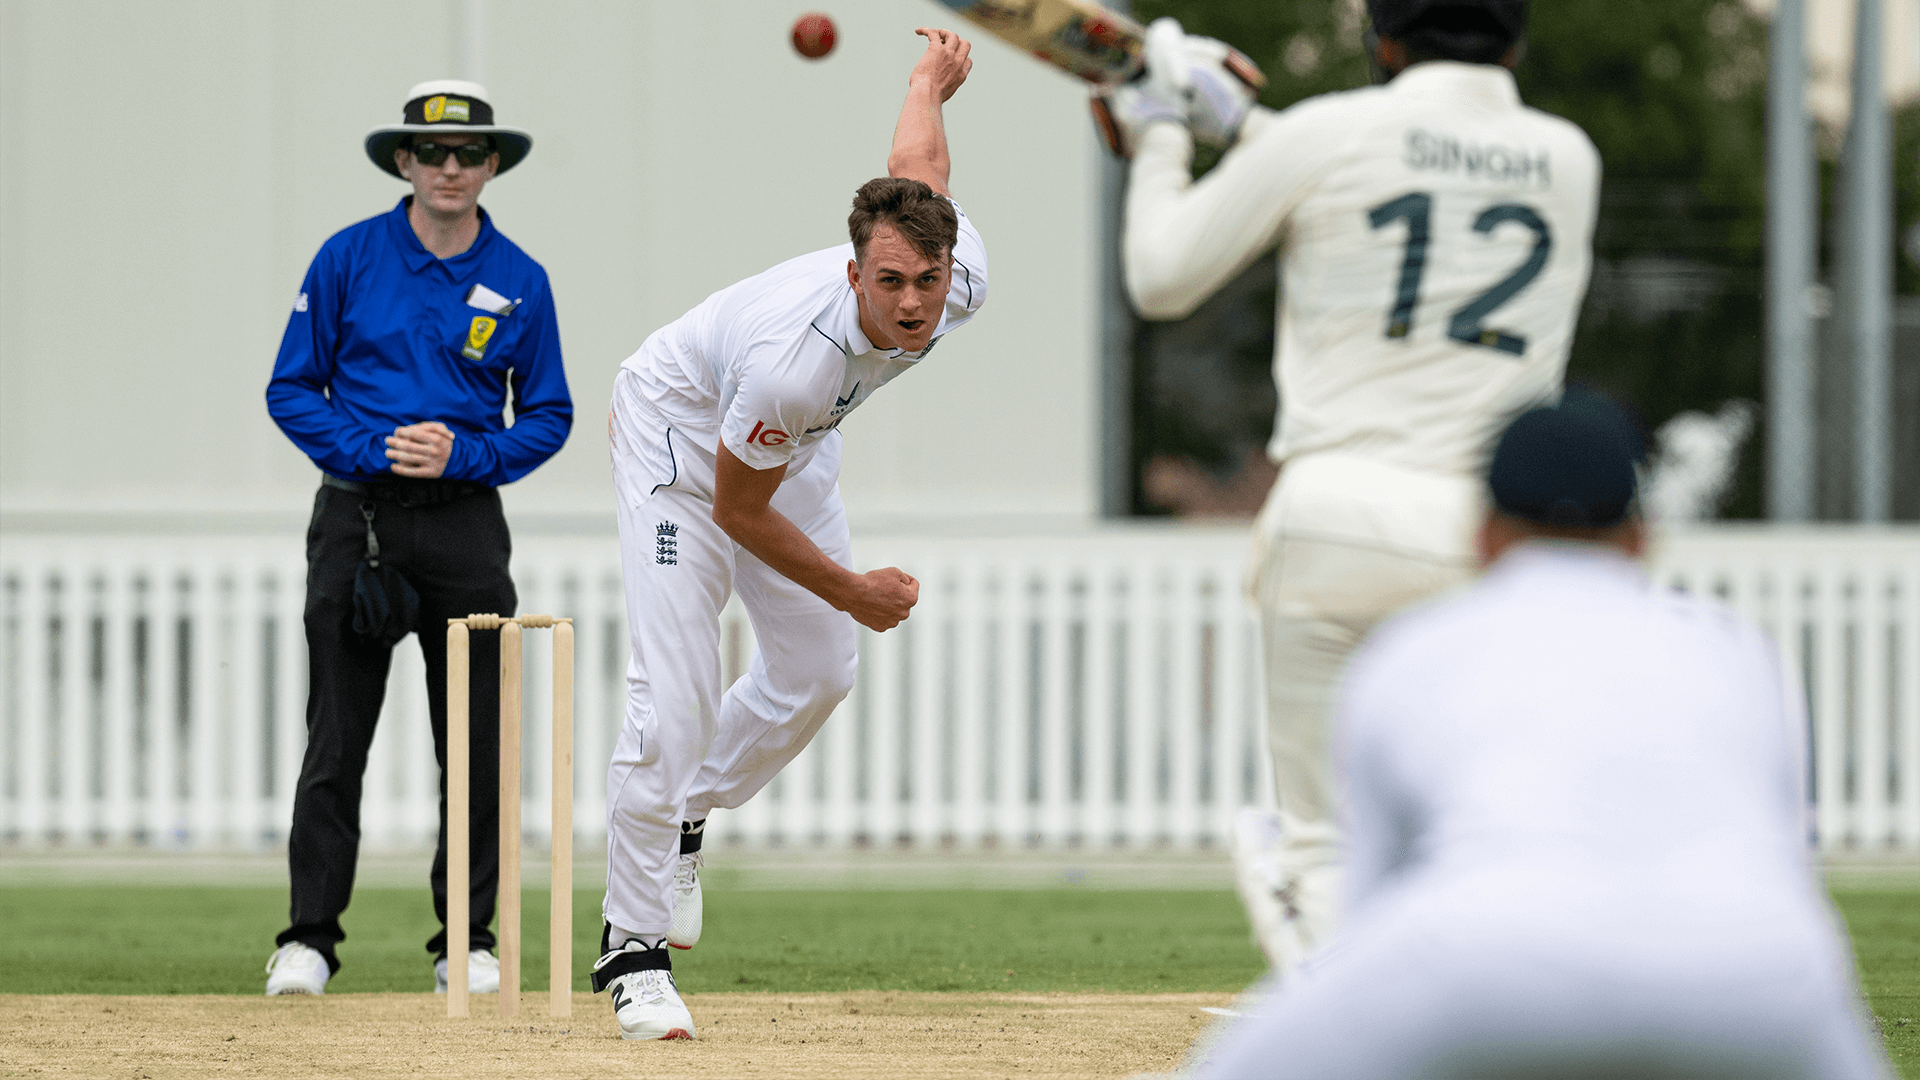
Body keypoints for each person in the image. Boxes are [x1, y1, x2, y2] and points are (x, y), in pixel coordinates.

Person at [1095, 0, 1599, 972]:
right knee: (1479, 836)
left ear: (1384, 38)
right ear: (1517, 38)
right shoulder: (1569, 158)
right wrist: (1238, 124)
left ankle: (1339, 991)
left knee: (1323, 846)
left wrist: (1162, 126)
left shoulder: (1332, 131)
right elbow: (1394, 174)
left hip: (1333, 522)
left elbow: (1161, 276)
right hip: (1492, 540)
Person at [1188, 396, 1893, 1080]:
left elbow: (1373, 907)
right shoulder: (1736, 652)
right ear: (1641, 536)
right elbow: (1789, 867)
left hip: (1489, 964)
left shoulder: (1415, 652)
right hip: (1762, 977)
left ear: (1483, 534)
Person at [593, 29, 984, 1040]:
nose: (911, 305)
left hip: (790, 451)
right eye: (889, 283)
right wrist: (853, 586)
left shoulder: (954, 270)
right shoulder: (793, 360)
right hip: (682, 447)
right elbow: (735, 511)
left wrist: (923, 82)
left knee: (819, 670)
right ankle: (630, 950)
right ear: (855, 274)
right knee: (675, 694)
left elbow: (919, 170)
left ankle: (689, 809)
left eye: (926, 282)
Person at [261, 80, 572, 996]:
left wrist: (466, 452)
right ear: (403, 160)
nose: (449, 168)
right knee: (335, 738)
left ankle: (466, 946)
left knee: (474, 745)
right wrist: (374, 447)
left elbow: (547, 414)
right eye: (431, 152)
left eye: (468, 155)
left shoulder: (521, 278)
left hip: (465, 529)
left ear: (491, 166)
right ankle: (309, 941)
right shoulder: (347, 257)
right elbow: (290, 387)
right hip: (354, 520)